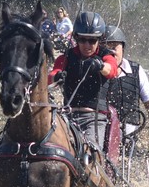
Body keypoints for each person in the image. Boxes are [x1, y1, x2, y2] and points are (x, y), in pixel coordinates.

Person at [48, 11, 119, 153]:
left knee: (89, 153)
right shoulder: (66, 57)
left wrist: (100, 66)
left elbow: (112, 70)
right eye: (83, 40)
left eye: (92, 41)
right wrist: (57, 77)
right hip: (67, 116)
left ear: (99, 39)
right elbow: (52, 75)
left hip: (94, 118)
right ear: (76, 38)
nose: (87, 45)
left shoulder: (105, 56)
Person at [104, 25, 149, 149]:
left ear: (122, 48)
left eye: (114, 47)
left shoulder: (136, 71)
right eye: (106, 49)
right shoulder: (95, 70)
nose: (111, 52)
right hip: (102, 135)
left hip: (130, 137)